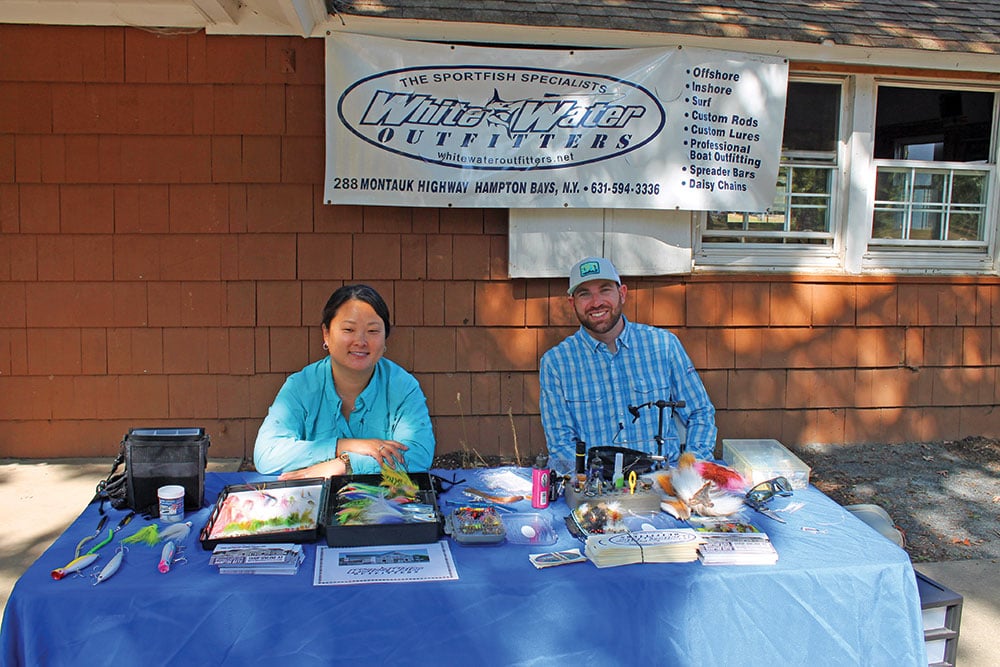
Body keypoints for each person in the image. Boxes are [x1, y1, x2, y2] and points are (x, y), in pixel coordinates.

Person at [539, 257, 717, 466]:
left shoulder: (663, 345)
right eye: (584, 294)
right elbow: (561, 445)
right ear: (572, 303)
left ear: (622, 294)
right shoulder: (556, 363)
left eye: (605, 290)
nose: (596, 302)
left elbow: (700, 413)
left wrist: (689, 470)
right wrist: (597, 479)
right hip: (597, 487)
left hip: (663, 481)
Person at [254, 284, 435, 479]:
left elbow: (418, 455)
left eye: (373, 331)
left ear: (385, 338)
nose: (361, 341)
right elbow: (267, 454)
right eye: (349, 329)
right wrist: (343, 446)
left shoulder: (403, 387)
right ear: (326, 334)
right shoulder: (300, 387)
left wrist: (345, 465)